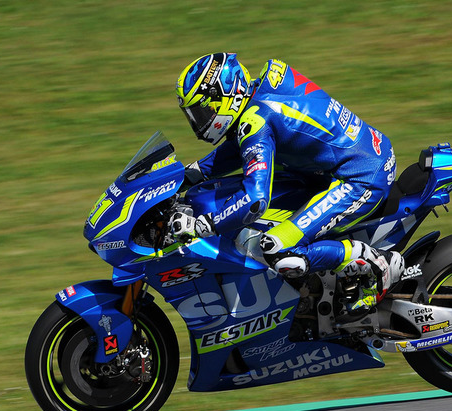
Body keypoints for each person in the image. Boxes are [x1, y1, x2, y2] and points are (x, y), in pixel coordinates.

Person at [169, 53, 404, 308]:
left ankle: (376, 263)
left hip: (361, 177)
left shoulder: (256, 120)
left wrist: (202, 226)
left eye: (203, 111)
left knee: (277, 248)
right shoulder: (260, 96)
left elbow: (254, 200)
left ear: (227, 96)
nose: (199, 121)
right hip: (347, 161)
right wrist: (187, 175)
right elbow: (241, 148)